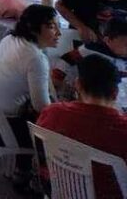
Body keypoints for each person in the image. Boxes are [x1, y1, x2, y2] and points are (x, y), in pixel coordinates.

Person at [0, 4, 61, 185]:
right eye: (52, 26)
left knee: (33, 110)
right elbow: (42, 108)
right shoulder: (36, 58)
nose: (59, 32)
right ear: (33, 28)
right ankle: (42, 180)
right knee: (51, 126)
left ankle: (23, 171)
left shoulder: (10, 39)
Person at [37, 54, 127, 199]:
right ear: (115, 93)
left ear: (78, 84)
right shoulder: (122, 129)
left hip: (58, 189)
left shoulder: (52, 112)